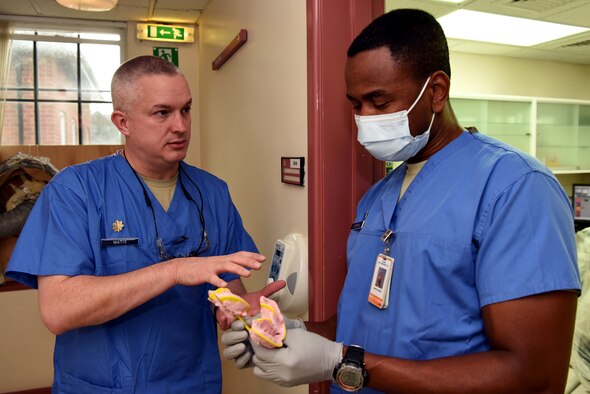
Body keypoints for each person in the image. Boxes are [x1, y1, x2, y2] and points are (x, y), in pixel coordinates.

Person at [222, 9, 581, 393]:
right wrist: (285, 333)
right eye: (356, 104)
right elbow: (360, 326)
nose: (365, 118)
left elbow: (533, 376)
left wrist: (341, 362)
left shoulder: (516, 188)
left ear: (436, 91)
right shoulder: (377, 198)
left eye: (379, 101)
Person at [5, 55, 284, 393]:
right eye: (162, 113)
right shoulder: (74, 190)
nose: (180, 126)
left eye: (186, 109)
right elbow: (58, 310)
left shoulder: (212, 193)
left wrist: (241, 310)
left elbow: (226, 290)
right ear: (123, 122)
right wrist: (174, 270)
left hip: (193, 383)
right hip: (103, 386)